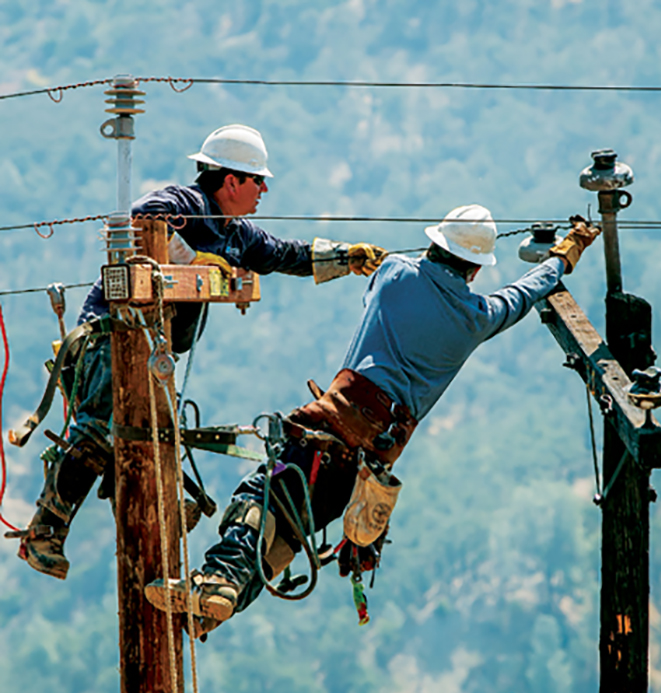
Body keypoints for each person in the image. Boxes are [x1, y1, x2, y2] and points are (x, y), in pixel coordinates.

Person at [144, 205, 600, 636]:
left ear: (435, 243)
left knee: (257, 499)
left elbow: (389, 279)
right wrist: (565, 253)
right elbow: (524, 294)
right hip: (359, 475)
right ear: (476, 269)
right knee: (288, 532)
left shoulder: (396, 272)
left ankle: (218, 582)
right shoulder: (476, 318)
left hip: (325, 437)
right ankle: (212, 612)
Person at [11, 124, 386, 579]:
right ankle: (44, 533)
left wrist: (346, 258)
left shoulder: (238, 234)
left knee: (149, 443)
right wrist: (194, 261)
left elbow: (285, 254)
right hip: (109, 340)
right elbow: (140, 221)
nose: (264, 188)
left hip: (151, 356)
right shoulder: (183, 205)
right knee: (98, 435)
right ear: (231, 181)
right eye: (257, 180)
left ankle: (158, 517)